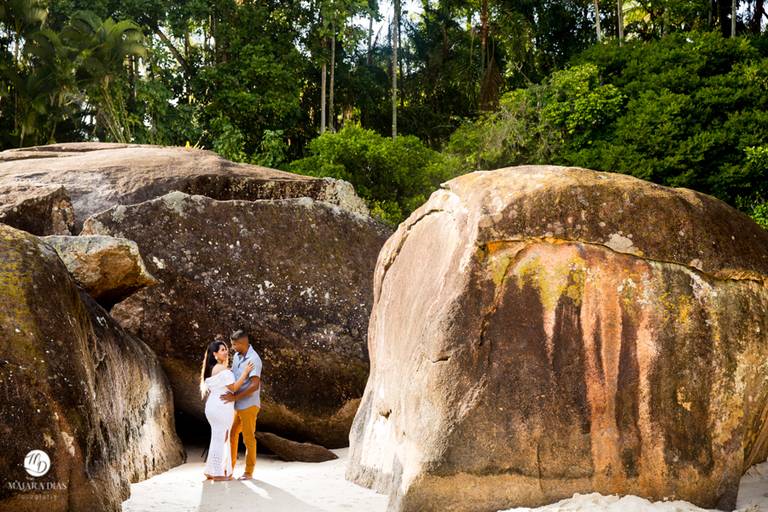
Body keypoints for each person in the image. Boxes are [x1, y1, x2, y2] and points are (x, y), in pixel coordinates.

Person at [199, 340, 254, 481]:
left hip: (214, 406)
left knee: (218, 437)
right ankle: (218, 473)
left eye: (226, 349)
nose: (226, 352)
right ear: (215, 354)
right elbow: (233, 388)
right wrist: (245, 372)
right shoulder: (221, 369)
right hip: (221, 407)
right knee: (220, 438)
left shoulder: (212, 368)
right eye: (222, 350)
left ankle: (210, 470)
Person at [222, 329, 262, 480]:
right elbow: (234, 374)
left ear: (242, 343)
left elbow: (254, 385)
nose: (232, 348)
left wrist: (235, 397)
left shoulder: (254, 359)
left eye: (234, 345)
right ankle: (229, 469)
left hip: (249, 405)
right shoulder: (237, 356)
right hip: (237, 405)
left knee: (248, 438)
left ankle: (249, 472)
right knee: (232, 434)